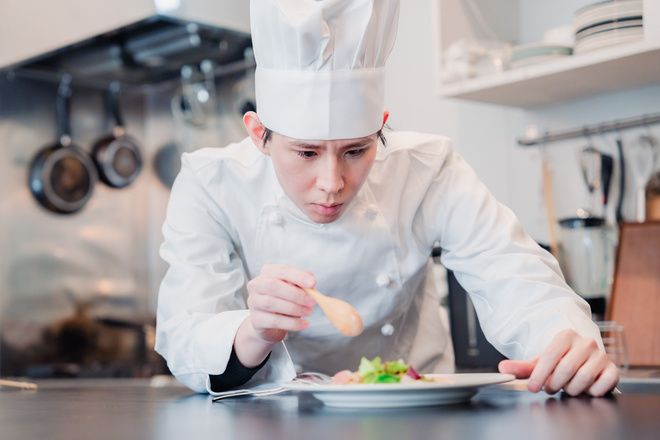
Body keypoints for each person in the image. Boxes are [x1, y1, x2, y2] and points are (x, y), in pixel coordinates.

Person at [155, 0, 619, 397]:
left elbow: (510, 269)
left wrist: (566, 340)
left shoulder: (428, 168)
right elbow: (186, 333)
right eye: (306, 152)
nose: (331, 182)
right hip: (277, 414)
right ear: (260, 135)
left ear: (382, 124)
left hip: (419, 406)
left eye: (357, 150)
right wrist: (253, 331)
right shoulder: (210, 183)